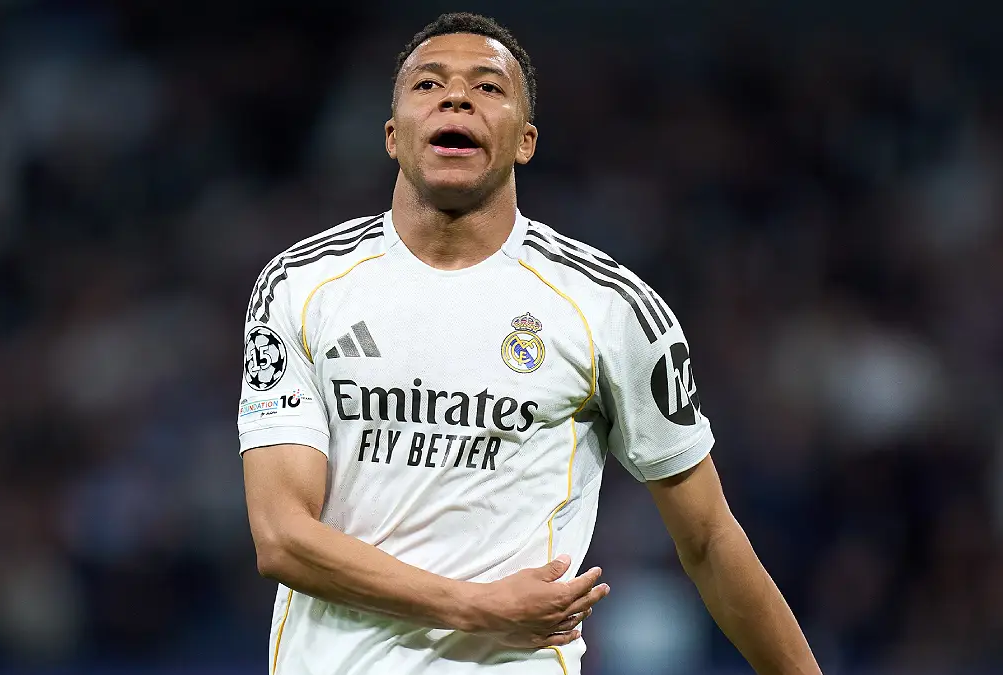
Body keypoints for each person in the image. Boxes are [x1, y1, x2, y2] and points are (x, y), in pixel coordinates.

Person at [238, 12, 821, 675]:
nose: (457, 97)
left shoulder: (611, 308)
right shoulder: (301, 285)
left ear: (526, 141)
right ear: (393, 137)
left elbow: (710, 538)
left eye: (488, 87)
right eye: (429, 84)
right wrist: (474, 605)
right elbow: (282, 536)